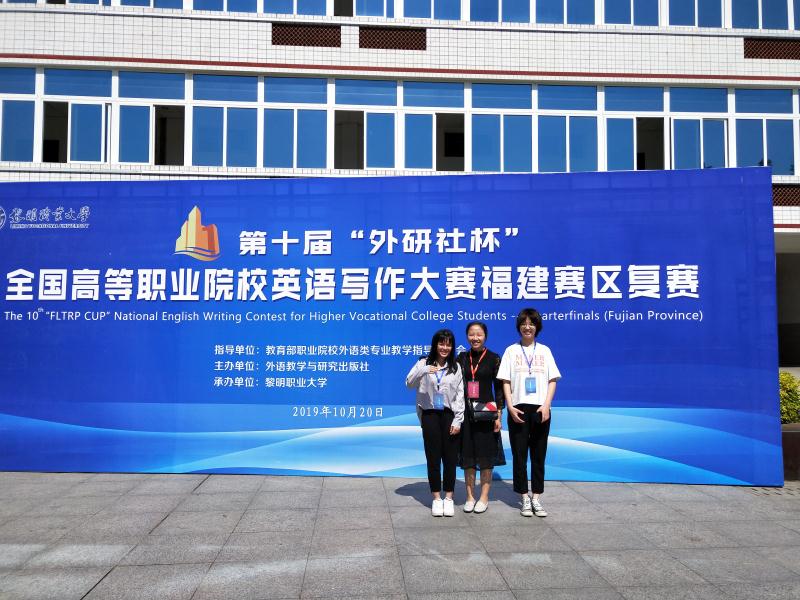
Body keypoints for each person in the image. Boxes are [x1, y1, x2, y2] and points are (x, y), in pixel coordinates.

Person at [498, 308, 561, 518]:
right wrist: (510, 406)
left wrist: (546, 405)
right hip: (518, 409)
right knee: (519, 455)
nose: (527, 327)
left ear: (537, 327)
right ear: (519, 326)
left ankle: (536, 497)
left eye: (531, 323)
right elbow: (505, 381)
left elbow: (552, 380)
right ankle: (524, 497)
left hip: (541, 409)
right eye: (524, 323)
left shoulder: (545, 351)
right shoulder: (511, 351)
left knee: (538, 455)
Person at [406, 329, 464, 517]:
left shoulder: (455, 367)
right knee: (433, 458)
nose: (444, 348)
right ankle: (437, 498)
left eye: (448, 344)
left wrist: (458, 419)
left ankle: (449, 498)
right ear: (435, 345)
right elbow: (409, 383)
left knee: (450, 458)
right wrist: (424, 371)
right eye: (441, 343)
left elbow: (460, 395)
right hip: (430, 415)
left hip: (449, 415)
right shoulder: (423, 363)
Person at [456, 321, 506, 514]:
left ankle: (484, 497)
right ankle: (470, 496)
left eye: (479, 334)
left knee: (486, 457)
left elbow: (499, 389)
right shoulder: (461, 358)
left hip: (487, 414)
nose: (475, 338)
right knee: (468, 457)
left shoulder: (493, 358)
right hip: (466, 414)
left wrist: (498, 414)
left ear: (485, 336)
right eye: (471, 334)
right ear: (467, 336)